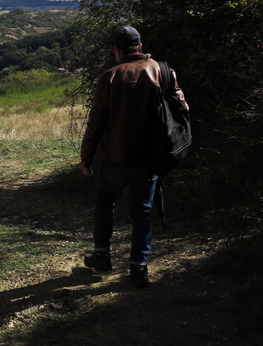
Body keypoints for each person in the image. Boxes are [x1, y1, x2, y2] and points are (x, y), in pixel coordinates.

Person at [80, 25, 188, 289]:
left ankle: (102, 255)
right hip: (151, 156)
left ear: (117, 50)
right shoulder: (164, 72)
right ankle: (139, 267)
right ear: (139, 46)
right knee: (142, 210)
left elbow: (95, 124)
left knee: (104, 200)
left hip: (116, 156)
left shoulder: (110, 77)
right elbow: (182, 108)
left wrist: (86, 158)